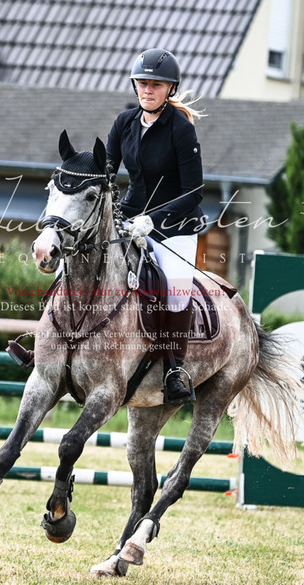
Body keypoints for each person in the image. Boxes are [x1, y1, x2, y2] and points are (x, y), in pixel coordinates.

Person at [106, 48, 204, 404]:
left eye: (156, 85)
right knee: (86, 259)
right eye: (143, 83)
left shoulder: (181, 130)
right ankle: (47, 341)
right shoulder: (124, 123)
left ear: (169, 89)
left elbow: (194, 191)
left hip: (176, 226)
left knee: (175, 291)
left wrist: (154, 219)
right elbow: (107, 173)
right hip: (131, 217)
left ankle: (174, 371)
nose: (148, 90)